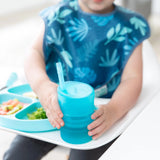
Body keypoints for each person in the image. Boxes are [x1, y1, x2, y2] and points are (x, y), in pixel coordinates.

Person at [3, 0, 150, 160]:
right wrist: (42, 85)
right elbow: (34, 52)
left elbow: (132, 78)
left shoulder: (131, 26)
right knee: (16, 155)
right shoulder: (58, 15)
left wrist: (113, 110)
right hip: (53, 108)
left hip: (97, 116)